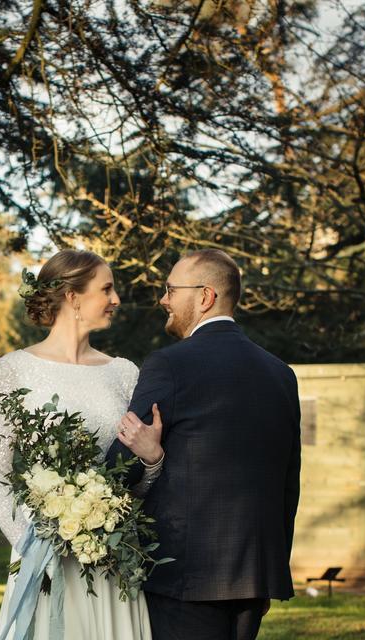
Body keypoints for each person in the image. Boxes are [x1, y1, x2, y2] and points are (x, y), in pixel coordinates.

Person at [106, 249, 301, 640]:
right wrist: (270, 568)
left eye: (170, 289)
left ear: (205, 296)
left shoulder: (170, 364)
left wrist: (148, 460)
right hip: (255, 573)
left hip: (186, 575)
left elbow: (118, 467)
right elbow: (288, 483)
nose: (163, 299)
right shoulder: (281, 373)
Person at [0, 249, 164, 640]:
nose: (116, 300)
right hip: (43, 553)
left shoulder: (124, 373)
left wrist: (151, 464)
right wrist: (33, 541)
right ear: (72, 296)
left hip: (113, 553)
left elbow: (136, 478)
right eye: (107, 289)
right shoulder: (13, 369)